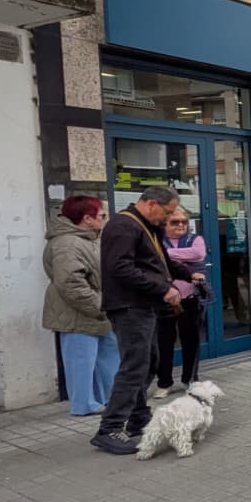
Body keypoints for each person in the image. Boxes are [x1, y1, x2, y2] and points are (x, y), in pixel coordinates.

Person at [94, 187, 200, 455]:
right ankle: (110, 428)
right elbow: (120, 268)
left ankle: (138, 418)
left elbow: (160, 263)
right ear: (152, 204)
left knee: (149, 362)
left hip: (143, 306)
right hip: (129, 306)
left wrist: (189, 276)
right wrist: (163, 289)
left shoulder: (145, 226)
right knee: (134, 366)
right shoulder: (123, 226)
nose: (167, 220)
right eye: (166, 213)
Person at [43, 195, 119, 417]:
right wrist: (101, 307)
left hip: (99, 310)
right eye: (102, 215)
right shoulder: (67, 244)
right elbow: (71, 284)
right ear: (87, 218)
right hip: (78, 314)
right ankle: (84, 404)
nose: (106, 219)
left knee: (107, 355)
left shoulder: (89, 238)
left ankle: (111, 399)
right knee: (81, 362)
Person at [154, 208, 208, 399]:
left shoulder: (196, 239)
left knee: (191, 341)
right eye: (175, 222)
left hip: (191, 299)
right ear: (165, 223)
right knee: (164, 343)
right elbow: (154, 259)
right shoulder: (156, 239)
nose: (181, 225)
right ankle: (164, 382)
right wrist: (179, 255)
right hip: (164, 299)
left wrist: (167, 254)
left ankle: (190, 379)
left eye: (184, 221)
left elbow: (198, 253)